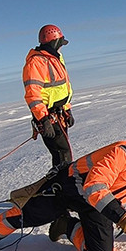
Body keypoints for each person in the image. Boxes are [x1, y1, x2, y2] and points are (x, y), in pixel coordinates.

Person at [23, 24, 75, 167]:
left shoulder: (55, 58)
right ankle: (62, 184)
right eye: (60, 43)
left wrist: (67, 109)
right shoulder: (36, 62)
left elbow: (62, 88)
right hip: (48, 115)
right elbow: (32, 95)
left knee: (64, 152)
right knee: (61, 152)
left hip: (59, 114)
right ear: (55, 42)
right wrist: (44, 119)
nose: (61, 47)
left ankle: (63, 182)